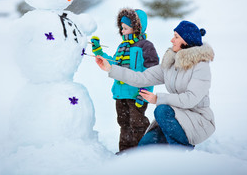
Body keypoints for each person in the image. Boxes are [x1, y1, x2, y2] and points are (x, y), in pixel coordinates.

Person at [95, 20, 215, 149]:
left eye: (176, 37)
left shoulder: (201, 67)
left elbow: (190, 99)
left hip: (197, 120)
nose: (171, 40)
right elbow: (142, 78)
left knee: (162, 110)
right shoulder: (171, 64)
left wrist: (158, 99)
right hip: (175, 117)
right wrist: (110, 69)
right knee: (144, 147)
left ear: (186, 42)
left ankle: (182, 153)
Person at [91, 8, 159, 153]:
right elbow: (114, 64)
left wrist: (145, 93)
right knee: (124, 123)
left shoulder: (146, 46)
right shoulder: (122, 46)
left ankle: (142, 152)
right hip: (121, 93)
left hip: (136, 94)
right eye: (122, 28)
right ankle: (125, 151)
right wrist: (99, 53)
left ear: (136, 28)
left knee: (137, 123)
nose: (122, 31)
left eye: (126, 28)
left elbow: (153, 73)